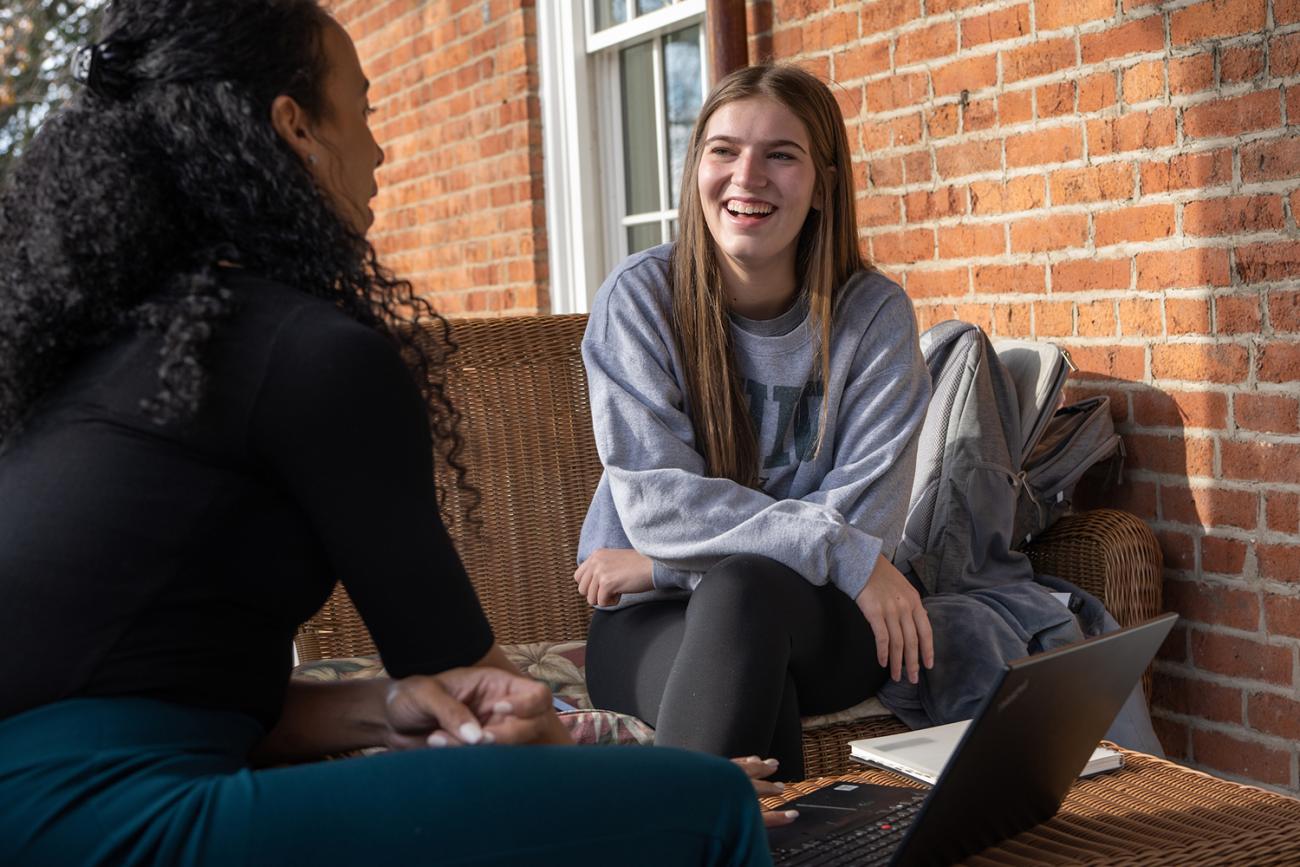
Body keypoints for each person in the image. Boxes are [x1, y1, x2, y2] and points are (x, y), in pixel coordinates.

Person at [0, 2, 773, 864]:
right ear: (296, 128)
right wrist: (637, 771)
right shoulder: (309, 356)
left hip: (52, 794)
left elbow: (157, 679)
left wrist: (384, 707)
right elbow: (505, 714)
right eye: (363, 112)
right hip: (94, 821)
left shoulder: (87, 349)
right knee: (708, 804)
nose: (379, 150)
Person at [575, 65, 935, 781]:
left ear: (823, 183)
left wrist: (666, 564)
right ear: (695, 169)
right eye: (723, 150)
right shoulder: (641, 301)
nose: (749, 176)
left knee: (744, 592)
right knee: (749, 667)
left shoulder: (874, 318)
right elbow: (659, 504)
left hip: (825, 616)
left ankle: (671, 835)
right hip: (652, 622)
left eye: (781, 154)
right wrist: (687, 552)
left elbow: (864, 522)